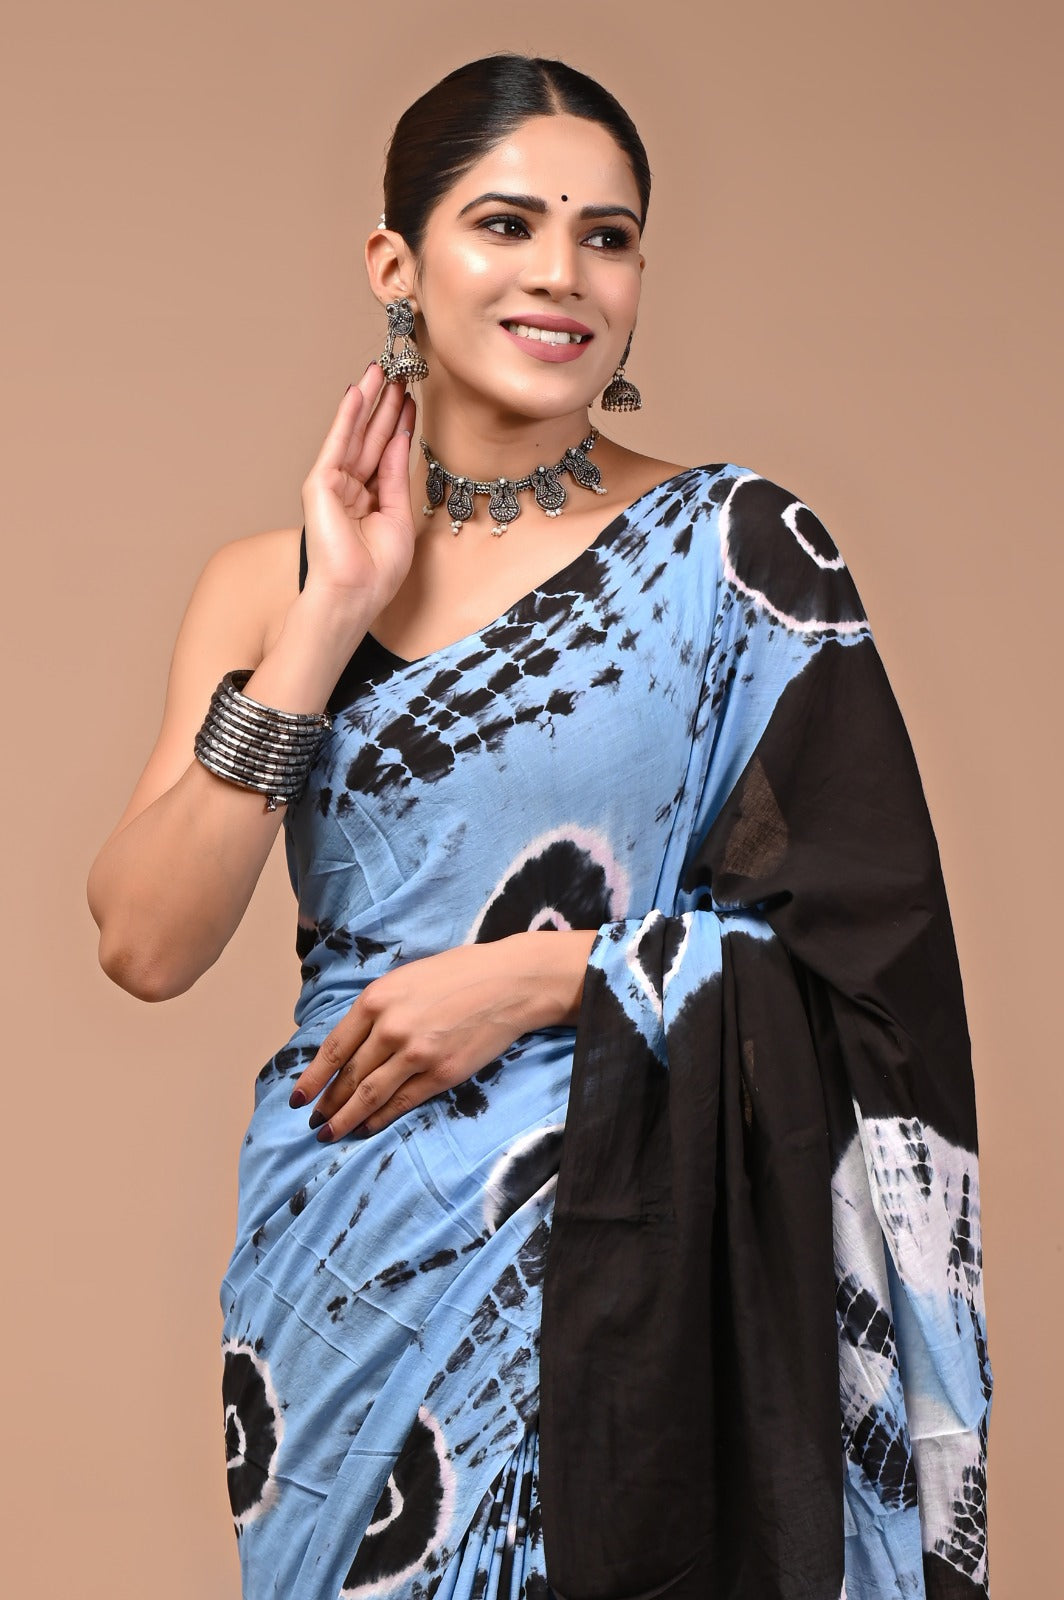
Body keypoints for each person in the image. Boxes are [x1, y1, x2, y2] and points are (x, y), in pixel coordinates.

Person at [87, 53, 991, 1600]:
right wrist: (329, 613)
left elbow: (873, 965)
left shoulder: (735, 557)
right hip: (346, 1268)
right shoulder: (263, 584)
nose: (563, 274)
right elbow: (146, 943)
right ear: (397, 265)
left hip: (651, 1262)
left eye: (608, 236)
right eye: (507, 224)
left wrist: (545, 976)